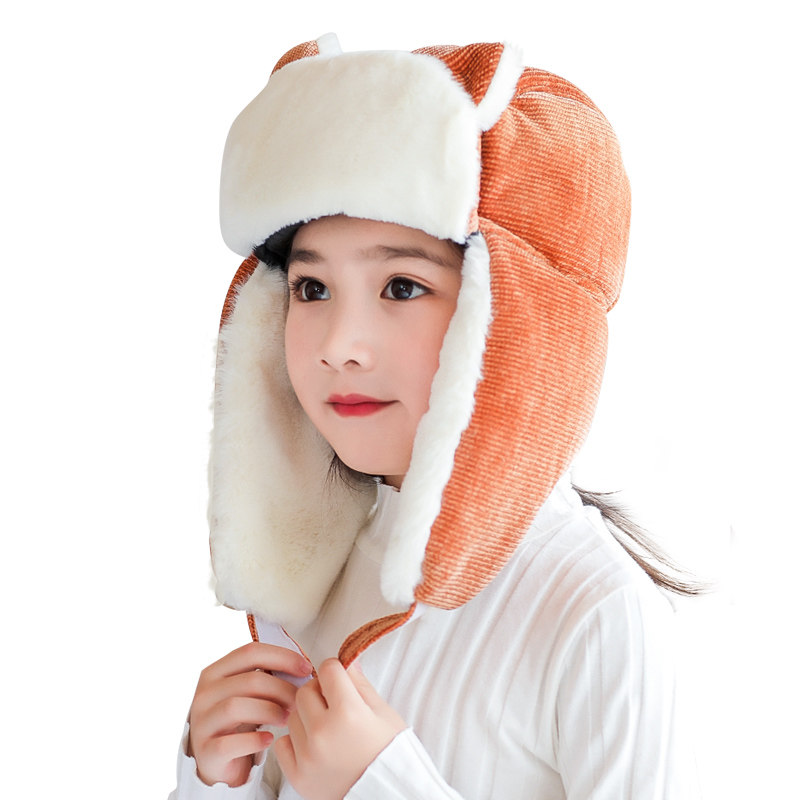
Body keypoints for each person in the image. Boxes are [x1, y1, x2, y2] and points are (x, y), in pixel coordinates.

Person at [170, 33, 700, 800]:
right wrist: (214, 780)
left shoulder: (593, 609)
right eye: (312, 289)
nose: (339, 347)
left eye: (402, 287)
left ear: (511, 313)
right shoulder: (313, 582)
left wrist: (383, 786)